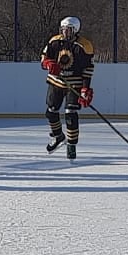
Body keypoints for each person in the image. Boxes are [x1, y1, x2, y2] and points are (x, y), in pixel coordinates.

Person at [39, 16, 95, 160]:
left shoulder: (84, 46)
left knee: (70, 113)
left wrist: (85, 89)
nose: (65, 32)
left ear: (75, 30)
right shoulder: (54, 41)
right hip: (56, 82)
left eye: (68, 30)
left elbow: (88, 69)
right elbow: (44, 59)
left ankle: (71, 144)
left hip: (74, 83)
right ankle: (58, 136)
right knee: (51, 111)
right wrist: (49, 64)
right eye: (63, 29)